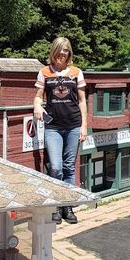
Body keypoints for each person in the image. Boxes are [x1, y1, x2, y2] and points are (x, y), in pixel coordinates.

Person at [34, 37, 88, 224]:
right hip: (53, 127)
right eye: (59, 49)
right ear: (54, 51)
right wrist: (37, 106)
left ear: (69, 53)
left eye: (66, 50)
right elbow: (38, 96)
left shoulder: (76, 72)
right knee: (56, 167)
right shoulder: (44, 72)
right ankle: (56, 206)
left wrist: (84, 126)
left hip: (73, 125)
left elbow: (82, 101)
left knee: (69, 168)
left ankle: (67, 207)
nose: (62, 53)